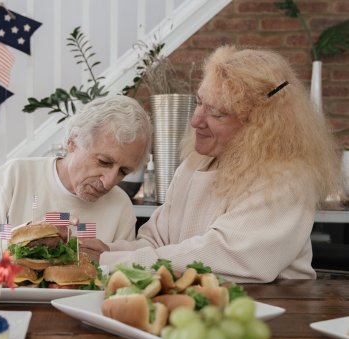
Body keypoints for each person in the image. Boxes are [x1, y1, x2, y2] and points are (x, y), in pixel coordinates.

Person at [81, 46, 343, 283]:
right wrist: (106, 251)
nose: (195, 121)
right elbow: (157, 240)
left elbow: (226, 255)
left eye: (217, 113)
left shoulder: (286, 178)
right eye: (199, 101)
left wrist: (109, 261)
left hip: (271, 316)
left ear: (261, 126)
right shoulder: (195, 165)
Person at [0, 95, 152, 273]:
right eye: (103, 162)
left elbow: (124, 279)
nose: (109, 182)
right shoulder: (15, 176)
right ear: (73, 142)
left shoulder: (120, 205)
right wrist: (22, 238)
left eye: (123, 171)